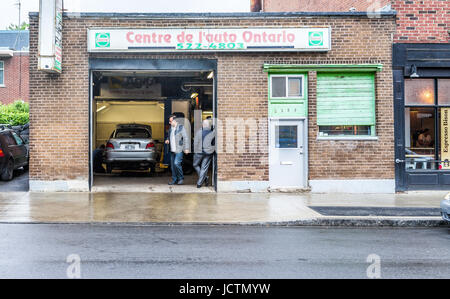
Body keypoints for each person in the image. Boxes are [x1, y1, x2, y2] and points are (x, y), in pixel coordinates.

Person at [165, 115, 190, 185]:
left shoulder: (181, 127)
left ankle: (181, 178)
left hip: (179, 149)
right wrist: (167, 140)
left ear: (174, 121)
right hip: (172, 150)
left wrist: (186, 148)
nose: (169, 123)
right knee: (173, 166)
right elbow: (168, 136)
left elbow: (185, 138)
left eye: (170, 121)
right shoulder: (170, 128)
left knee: (176, 163)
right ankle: (174, 179)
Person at [193, 119, 215, 188]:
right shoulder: (212, 133)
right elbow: (214, 144)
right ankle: (202, 180)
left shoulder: (199, 132)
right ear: (209, 126)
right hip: (208, 153)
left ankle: (200, 182)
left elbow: (195, 143)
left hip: (199, 152)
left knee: (195, 164)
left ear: (203, 125)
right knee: (204, 167)